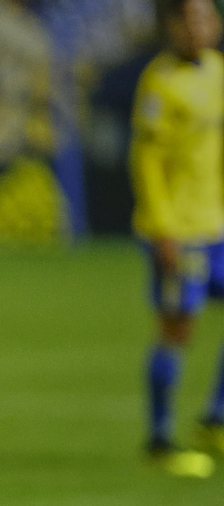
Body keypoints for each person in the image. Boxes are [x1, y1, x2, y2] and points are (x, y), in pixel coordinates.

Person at [130, 0, 224, 478]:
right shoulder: (160, 83)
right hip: (179, 232)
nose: (203, 26)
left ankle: (216, 419)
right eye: (192, 18)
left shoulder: (219, 73)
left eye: (209, 16)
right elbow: (147, 163)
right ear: (172, 26)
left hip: (217, 227)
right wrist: (163, 228)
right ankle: (161, 441)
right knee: (178, 330)